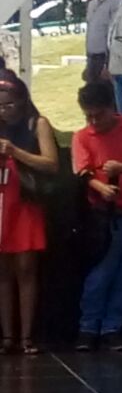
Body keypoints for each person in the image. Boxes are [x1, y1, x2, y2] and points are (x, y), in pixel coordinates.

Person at [73, 81, 122, 352]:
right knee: (100, 274)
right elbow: (82, 171)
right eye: (89, 116)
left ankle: (112, 327)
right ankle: (88, 327)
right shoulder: (83, 136)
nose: (94, 121)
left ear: (111, 108)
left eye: (99, 115)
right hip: (105, 218)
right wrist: (100, 186)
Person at [0, 77, 57, 355]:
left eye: (9, 105)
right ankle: (7, 336)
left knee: (26, 270)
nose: (3, 111)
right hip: (2, 203)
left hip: (25, 202)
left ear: (22, 102)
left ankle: (27, 336)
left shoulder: (38, 124)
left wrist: (15, 152)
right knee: (3, 272)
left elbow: (51, 164)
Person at [84, 0, 121, 85]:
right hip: (92, 58)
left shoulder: (117, 1)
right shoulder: (93, 4)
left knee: (106, 96)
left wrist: (108, 64)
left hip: (105, 58)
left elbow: (115, 33)